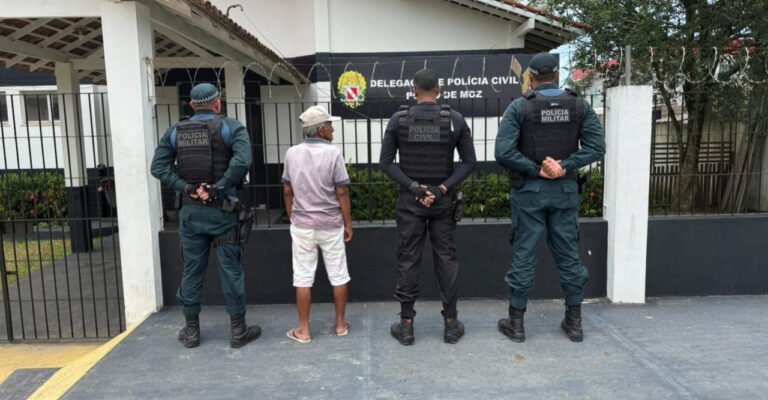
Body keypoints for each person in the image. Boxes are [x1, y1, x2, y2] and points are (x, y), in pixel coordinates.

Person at [494, 53, 606, 343]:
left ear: (531, 77)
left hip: (530, 193)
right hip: (565, 193)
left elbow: (503, 152)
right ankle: (575, 322)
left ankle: (516, 324)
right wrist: (564, 166)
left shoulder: (520, 107)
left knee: (524, 255)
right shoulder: (580, 106)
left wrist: (537, 170)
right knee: (569, 255)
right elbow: (597, 147)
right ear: (556, 75)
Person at [150, 82, 260, 349]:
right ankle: (238, 331)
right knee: (231, 270)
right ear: (218, 103)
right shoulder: (231, 128)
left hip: (189, 213)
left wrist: (186, 187)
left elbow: (158, 167)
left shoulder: (175, 132)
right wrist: (217, 188)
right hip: (223, 211)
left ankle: (191, 333)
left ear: (191, 106)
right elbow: (242, 161)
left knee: (191, 270)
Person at [380, 68, 477, 345]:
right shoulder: (455, 120)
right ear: (440, 89)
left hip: (411, 201)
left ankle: (406, 326)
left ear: (413, 90)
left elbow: (385, 163)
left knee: (408, 259)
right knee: (446, 259)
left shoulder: (398, 120)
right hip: (443, 201)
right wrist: (441, 188)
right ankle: (450, 324)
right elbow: (470, 162)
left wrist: (414, 187)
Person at [281, 105, 353, 344]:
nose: (333, 129)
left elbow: (288, 190)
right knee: (338, 274)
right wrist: (348, 224)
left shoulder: (292, 153)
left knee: (302, 278)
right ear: (321, 130)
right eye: (330, 125)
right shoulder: (334, 154)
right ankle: (341, 324)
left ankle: (304, 330)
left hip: (302, 225)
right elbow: (341, 191)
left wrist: (293, 216)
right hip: (331, 224)